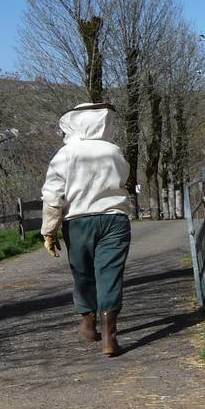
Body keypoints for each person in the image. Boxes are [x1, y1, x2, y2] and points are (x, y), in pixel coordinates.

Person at [41, 103, 133, 356]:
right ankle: (109, 338)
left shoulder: (65, 154)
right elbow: (124, 180)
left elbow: (52, 196)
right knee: (110, 274)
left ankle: (88, 323)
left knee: (83, 273)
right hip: (115, 219)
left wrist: (49, 230)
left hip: (78, 221)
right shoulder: (114, 151)